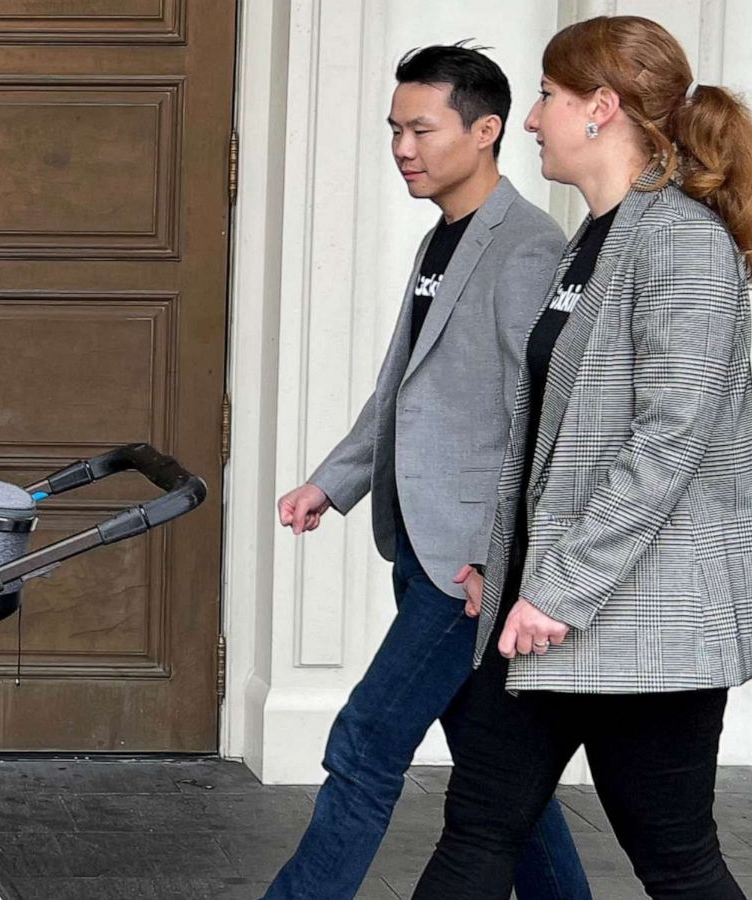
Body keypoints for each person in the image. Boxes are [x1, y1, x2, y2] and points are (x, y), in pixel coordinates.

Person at [412, 15, 752, 900]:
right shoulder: (595, 238)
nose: (533, 119)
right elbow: (552, 430)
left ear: (601, 109)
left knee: (676, 860)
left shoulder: (683, 244)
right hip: (546, 610)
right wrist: (502, 568)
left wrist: (557, 589)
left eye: (547, 96)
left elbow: (668, 443)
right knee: (476, 831)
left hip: (644, 624)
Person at [265, 42, 589, 900]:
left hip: (465, 568)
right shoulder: (445, 238)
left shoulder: (526, 247)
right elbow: (406, 392)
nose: (403, 147)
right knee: (497, 771)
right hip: (421, 547)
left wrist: (501, 554)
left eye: (422, 128)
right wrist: (333, 483)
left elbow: (542, 424)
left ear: (486, 131)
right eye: (394, 129)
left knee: (366, 743)